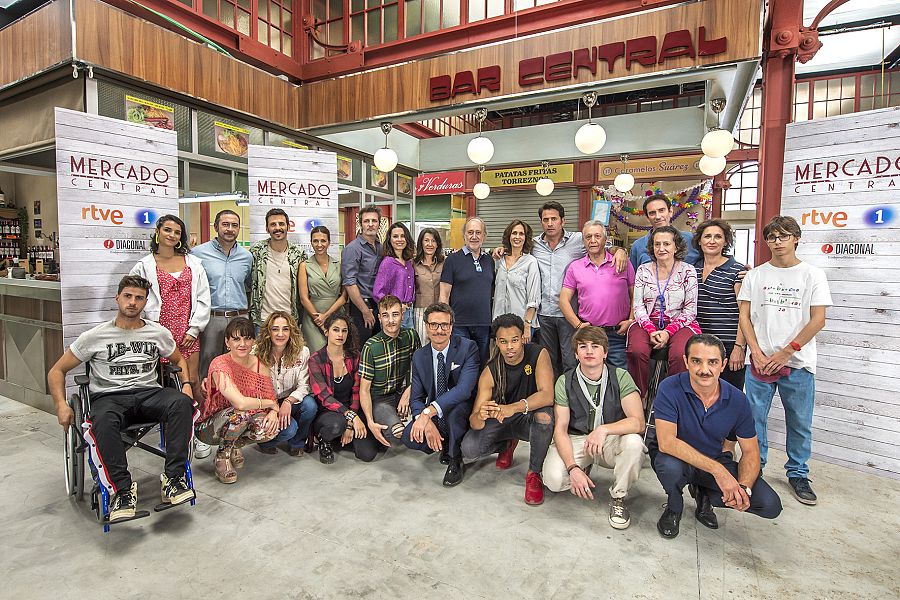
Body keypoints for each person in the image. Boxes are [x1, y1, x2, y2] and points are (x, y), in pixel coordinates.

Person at [48, 275, 196, 522]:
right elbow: (56, 371)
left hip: (149, 393)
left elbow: (178, 360)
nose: (132, 302)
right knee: (101, 419)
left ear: (145, 302)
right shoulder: (95, 336)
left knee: (181, 403)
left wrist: (188, 385)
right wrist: (61, 405)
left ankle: (173, 479)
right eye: (128, 296)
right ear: (117, 298)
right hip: (110, 397)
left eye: (139, 298)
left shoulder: (157, 333)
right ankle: (122, 490)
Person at [738, 215, 831, 506]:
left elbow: (818, 320)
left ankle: (798, 473)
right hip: (760, 363)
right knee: (754, 421)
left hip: (797, 363)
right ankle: (757, 466)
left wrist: (785, 353)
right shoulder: (756, 275)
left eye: (783, 236)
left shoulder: (812, 275)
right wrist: (757, 352)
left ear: (796, 238)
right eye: (772, 237)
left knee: (800, 422)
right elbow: (744, 316)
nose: (777, 242)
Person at [653, 334, 782, 539]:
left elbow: (750, 451)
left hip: (713, 458)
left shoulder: (738, 399)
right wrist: (718, 471)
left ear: (723, 365)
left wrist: (743, 489)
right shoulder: (669, 388)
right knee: (669, 467)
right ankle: (674, 506)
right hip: (678, 458)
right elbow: (667, 442)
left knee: (769, 504)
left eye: (712, 362)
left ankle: (704, 494)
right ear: (686, 362)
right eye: (696, 361)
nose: (704, 370)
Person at [543, 326, 645, 529]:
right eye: (583, 346)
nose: (589, 351)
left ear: (605, 352)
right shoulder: (565, 381)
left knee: (634, 442)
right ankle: (582, 467)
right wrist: (572, 468)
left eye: (595, 346)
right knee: (553, 480)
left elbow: (638, 422)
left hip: (609, 440)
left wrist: (603, 430)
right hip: (578, 438)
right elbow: (561, 429)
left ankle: (618, 497)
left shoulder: (620, 376)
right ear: (576, 353)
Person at [461, 314, 555, 506]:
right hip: (502, 419)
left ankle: (534, 473)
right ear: (497, 342)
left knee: (545, 417)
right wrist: (482, 414)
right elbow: (474, 420)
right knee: (469, 449)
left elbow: (547, 395)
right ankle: (507, 444)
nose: (510, 347)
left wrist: (513, 407)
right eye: (503, 342)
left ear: (522, 338)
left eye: (514, 340)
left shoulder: (538, 354)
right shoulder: (490, 370)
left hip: (527, 416)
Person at [529, 202, 627, 378]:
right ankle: (553, 398)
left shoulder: (577, 240)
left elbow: (600, 244)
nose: (550, 223)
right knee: (548, 360)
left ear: (563, 221)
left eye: (554, 219)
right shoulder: (533, 245)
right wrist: (499, 250)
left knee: (570, 359)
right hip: (543, 313)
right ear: (541, 223)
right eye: (546, 220)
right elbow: (514, 248)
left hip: (568, 315)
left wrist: (620, 250)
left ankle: (571, 396)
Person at [129, 214, 210, 407]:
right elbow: (133, 295)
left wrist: (194, 328)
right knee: (164, 386)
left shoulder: (193, 263)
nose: (172, 235)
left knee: (192, 381)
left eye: (177, 232)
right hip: (159, 333)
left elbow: (203, 297)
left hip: (187, 331)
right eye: (167, 230)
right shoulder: (144, 266)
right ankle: (171, 426)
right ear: (157, 232)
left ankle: (196, 428)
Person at [191, 209, 253, 459]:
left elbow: (248, 285)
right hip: (212, 319)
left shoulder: (247, 257)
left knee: (238, 375)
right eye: (225, 224)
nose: (229, 228)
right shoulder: (198, 254)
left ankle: (231, 430)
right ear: (216, 226)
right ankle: (204, 432)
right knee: (208, 374)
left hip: (240, 318)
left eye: (234, 225)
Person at [195, 317, 280, 484]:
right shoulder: (220, 364)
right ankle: (222, 456)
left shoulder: (259, 364)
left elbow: (271, 397)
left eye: (247, 338)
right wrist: (270, 404)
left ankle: (234, 445)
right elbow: (240, 403)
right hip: (210, 427)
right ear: (227, 342)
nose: (242, 344)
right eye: (236, 339)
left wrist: (274, 411)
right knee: (240, 414)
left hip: (243, 417)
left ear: (253, 341)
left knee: (269, 429)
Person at [403, 303, 480, 486]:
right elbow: (416, 398)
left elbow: (463, 390)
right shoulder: (419, 356)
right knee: (409, 436)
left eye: (444, 325)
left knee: (454, 414)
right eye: (434, 325)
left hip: (461, 408)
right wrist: (425, 420)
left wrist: (428, 412)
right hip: (435, 411)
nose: (439, 330)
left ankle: (455, 459)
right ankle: (444, 442)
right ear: (427, 326)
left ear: (451, 326)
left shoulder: (468, 348)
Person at [626, 225, 701, 399]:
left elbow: (690, 311)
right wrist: (651, 330)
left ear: (676, 247)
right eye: (657, 244)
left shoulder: (688, 271)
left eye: (666, 244)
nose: (661, 248)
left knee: (680, 353)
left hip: (681, 323)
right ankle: (638, 397)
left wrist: (668, 332)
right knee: (636, 350)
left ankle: (673, 398)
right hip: (646, 322)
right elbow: (637, 306)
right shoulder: (643, 270)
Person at [559, 220, 635, 369]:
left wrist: (631, 319)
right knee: (591, 376)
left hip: (617, 334)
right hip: (589, 334)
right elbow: (563, 300)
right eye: (588, 237)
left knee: (619, 376)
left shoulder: (622, 262)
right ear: (583, 241)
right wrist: (578, 325)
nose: (592, 241)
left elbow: (635, 295)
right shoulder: (575, 267)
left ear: (605, 239)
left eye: (597, 236)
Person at [309, 313, 380, 463]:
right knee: (336, 425)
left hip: (351, 410)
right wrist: (351, 417)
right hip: (328, 413)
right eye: (335, 330)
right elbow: (325, 397)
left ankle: (342, 436)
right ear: (326, 331)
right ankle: (325, 439)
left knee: (367, 454)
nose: (340, 334)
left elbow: (356, 391)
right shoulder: (316, 360)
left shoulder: (354, 357)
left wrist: (351, 421)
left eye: (344, 330)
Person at [691, 219, 747, 391]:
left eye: (718, 237)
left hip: (728, 345)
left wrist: (739, 347)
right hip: (699, 344)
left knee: (729, 396)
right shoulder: (692, 268)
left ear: (725, 241)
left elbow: (745, 313)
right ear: (700, 241)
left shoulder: (737, 270)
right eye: (707, 236)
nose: (712, 241)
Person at [359, 294, 421, 449]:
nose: (391, 321)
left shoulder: (411, 336)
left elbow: (422, 371)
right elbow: (364, 390)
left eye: (395, 314)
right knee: (398, 434)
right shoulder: (371, 346)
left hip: (402, 392)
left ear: (402, 315)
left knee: (428, 418)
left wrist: (409, 391)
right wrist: (370, 421)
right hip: (380, 399)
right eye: (385, 316)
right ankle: (385, 425)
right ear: (379, 317)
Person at [253, 311, 317, 456]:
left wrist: (288, 401)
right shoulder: (256, 351)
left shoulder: (302, 352)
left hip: (291, 399)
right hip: (266, 403)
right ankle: (266, 442)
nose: (280, 334)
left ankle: (297, 443)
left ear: (291, 331)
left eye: (285, 329)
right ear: (268, 332)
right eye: (275, 329)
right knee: (290, 429)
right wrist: (272, 408)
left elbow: (304, 385)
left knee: (310, 405)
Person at [440, 217, 494, 366]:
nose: (474, 236)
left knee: (482, 364)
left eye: (478, 232)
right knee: (459, 364)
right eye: (470, 232)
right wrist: (444, 322)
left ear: (484, 236)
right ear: (464, 235)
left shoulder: (489, 261)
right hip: (459, 323)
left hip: (484, 324)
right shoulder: (452, 259)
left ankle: (479, 390)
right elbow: (444, 294)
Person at [249, 208, 307, 328]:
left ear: (288, 227)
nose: (277, 227)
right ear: (267, 229)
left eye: (281, 224)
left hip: (290, 321)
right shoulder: (256, 252)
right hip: (262, 321)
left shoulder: (298, 254)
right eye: (273, 224)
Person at [298, 225, 346, 353]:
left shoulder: (339, 265)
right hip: (313, 318)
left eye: (323, 240)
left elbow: (344, 296)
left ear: (329, 242)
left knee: (335, 354)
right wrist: (319, 321)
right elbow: (303, 298)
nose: (319, 244)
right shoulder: (304, 266)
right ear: (311, 243)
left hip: (336, 316)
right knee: (317, 355)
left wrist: (326, 315)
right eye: (315, 241)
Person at [493, 220, 541, 343]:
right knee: (500, 358)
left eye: (521, 234)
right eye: (514, 233)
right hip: (499, 321)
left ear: (526, 238)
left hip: (520, 324)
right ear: (509, 236)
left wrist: (527, 325)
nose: (517, 237)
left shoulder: (531, 262)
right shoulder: (499, 260)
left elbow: (533, 298)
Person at [342, 205, 383, 345]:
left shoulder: (381, 247)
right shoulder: (352, 249)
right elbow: (349, 283)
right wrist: (365, 311)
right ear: (361, 224)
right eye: (366, 221)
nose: (370, 224)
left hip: (378, 304)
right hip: (361, 307)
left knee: (377, 347)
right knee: (361, 349)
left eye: (374, 221)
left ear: (379, 223)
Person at [628, 193, 699, 269]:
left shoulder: (690, 239)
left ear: (670, 211)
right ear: (647, 218)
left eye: (661, 210)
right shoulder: (638, 246)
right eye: (652, 213)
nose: (658, 216)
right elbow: (633, 276)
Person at [373, 222, 416, 331]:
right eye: (395, 236)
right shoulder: (387, 263)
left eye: (402, 236)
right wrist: (395, 307)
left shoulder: (408, 262)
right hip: (394, 315)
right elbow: (378, 292)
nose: (399, 239)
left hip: (409, 312)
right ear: (390, 240)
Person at [413, 227, 445, 344]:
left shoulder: (444, 263)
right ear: (421, 243)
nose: (430, 244)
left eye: (433, 241)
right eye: (426, 240)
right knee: (422, 344)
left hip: (440, 310)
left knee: (439, 344)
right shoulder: (413, 264)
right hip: (420, 311)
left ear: (438, 244)